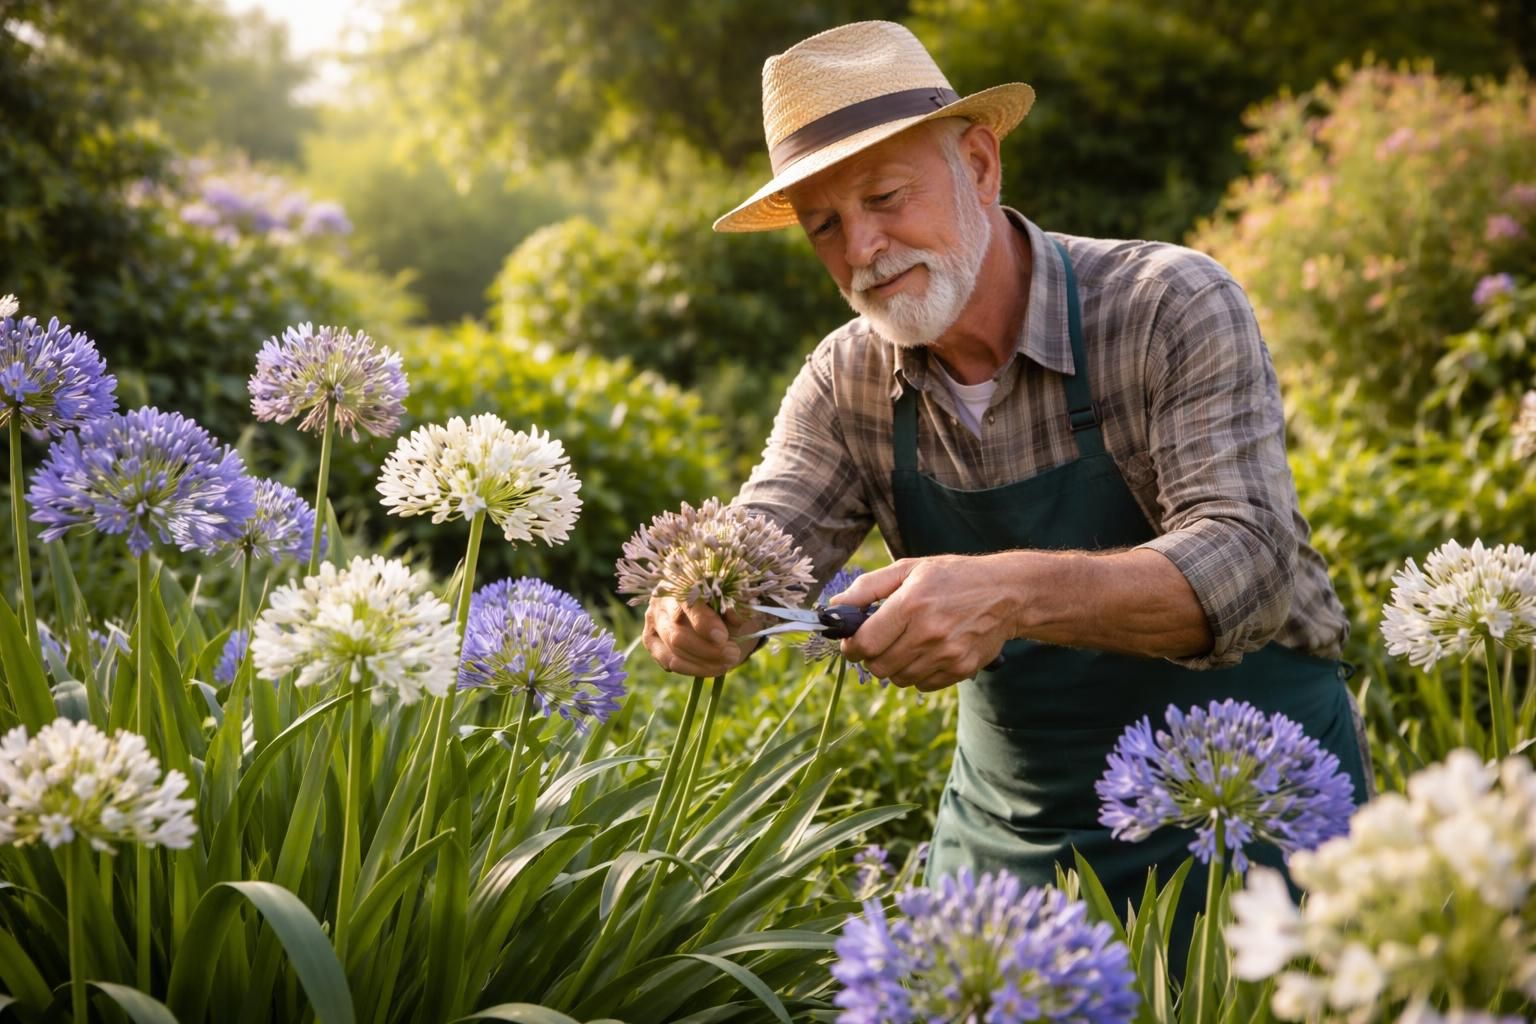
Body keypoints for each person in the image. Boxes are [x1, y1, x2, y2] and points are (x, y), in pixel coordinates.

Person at [639, 19, 1369, 943]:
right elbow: (764, 538)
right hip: (1016, 833)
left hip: (1248, 804)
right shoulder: (846, 380)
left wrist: (1010, 592)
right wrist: (703, 602)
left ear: (979, 165)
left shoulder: (1167, 304)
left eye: (885, 197)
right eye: (824, 225)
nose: (861, 248)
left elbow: (1248, 564)